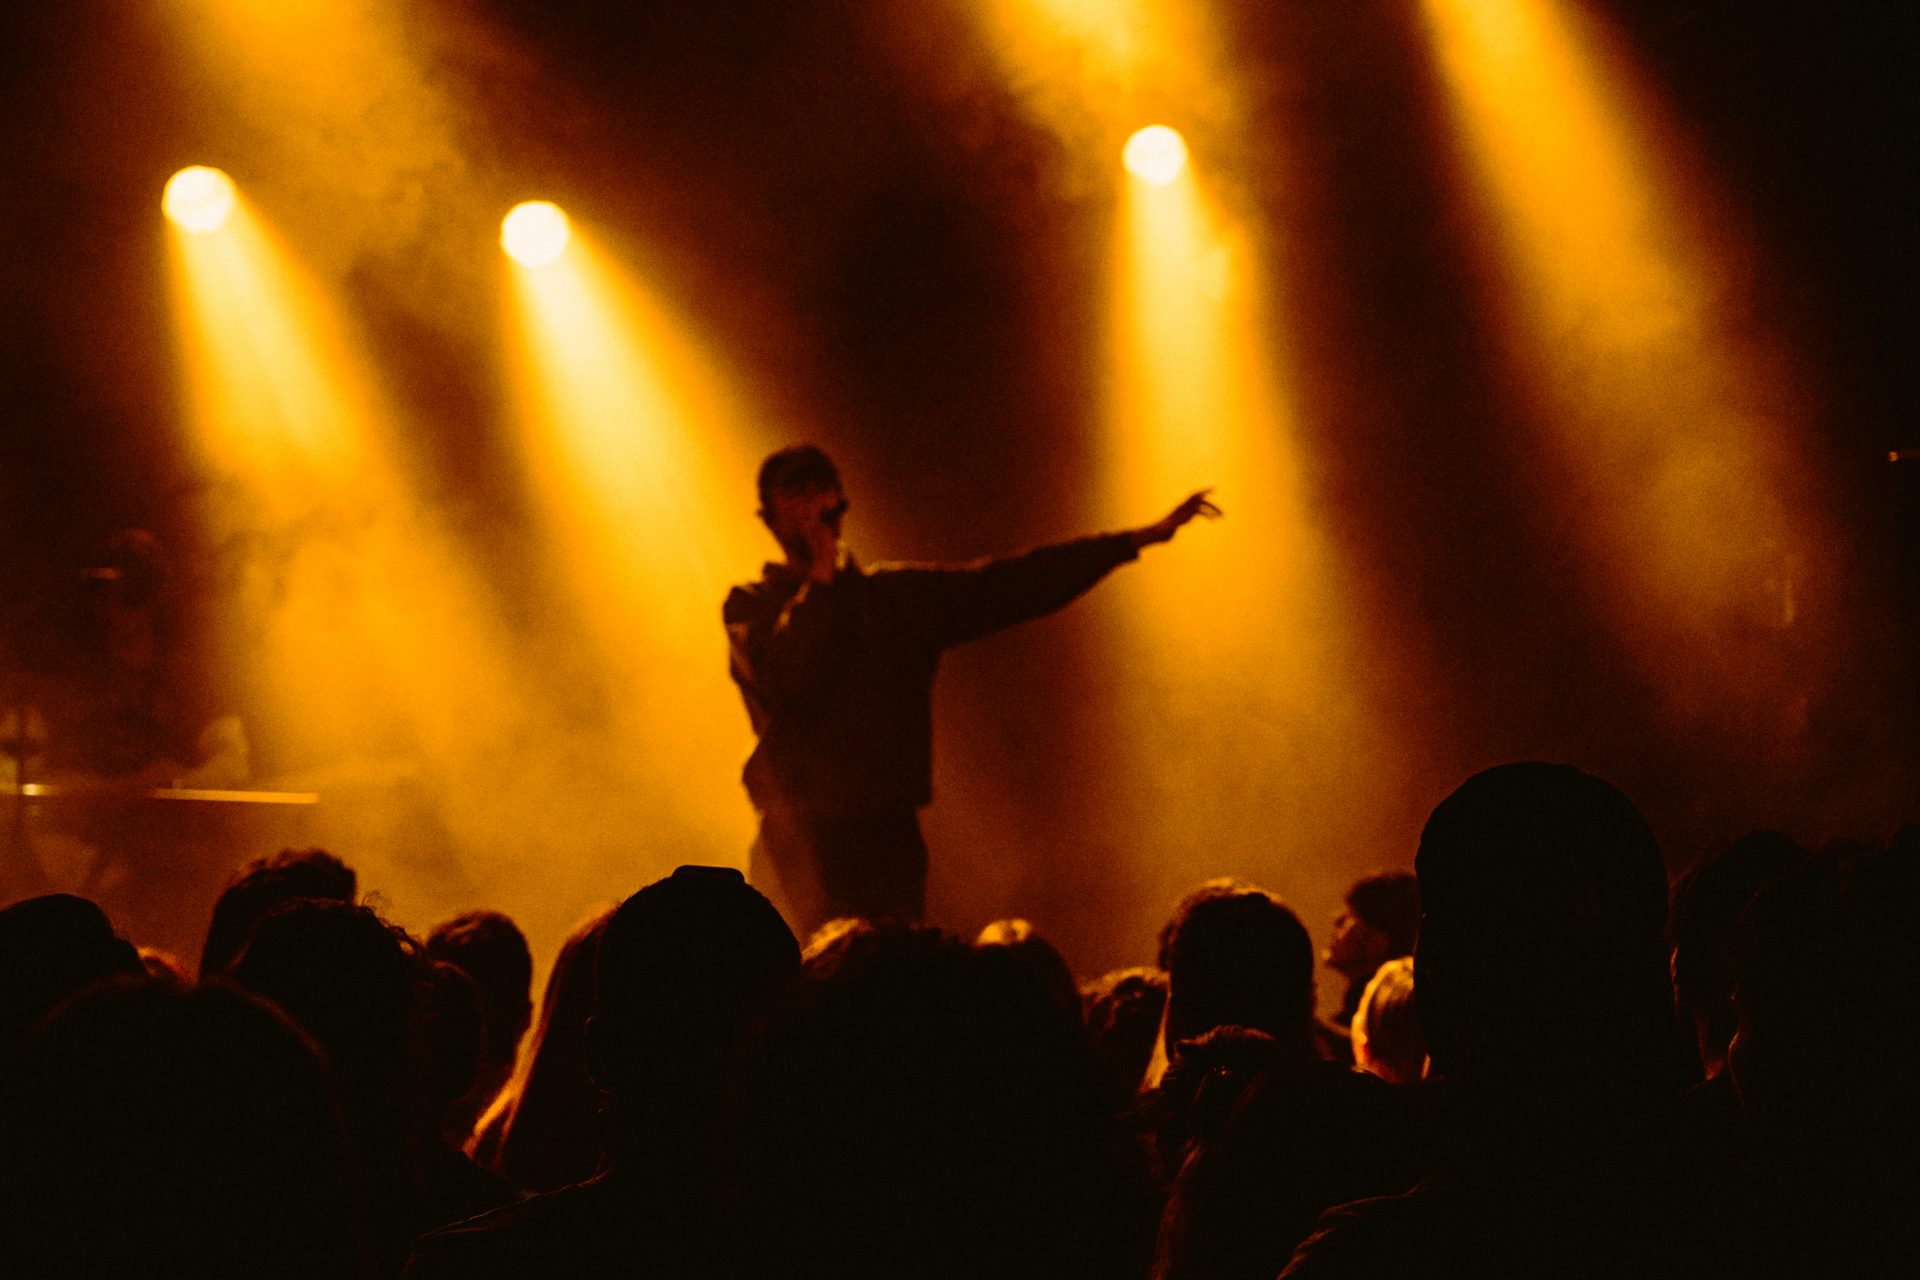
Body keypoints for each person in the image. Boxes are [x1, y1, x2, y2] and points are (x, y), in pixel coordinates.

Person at [724, 445, 1217, 933]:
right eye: (796, 491)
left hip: (889, 831)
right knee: (803, 966)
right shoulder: (750, 608)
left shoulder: (897, 599)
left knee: (890, 967)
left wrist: (1132, 541)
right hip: (801, 838)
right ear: (769, 517)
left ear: (841, 501)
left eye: (821, 487)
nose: (812, 503)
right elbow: (789, 675)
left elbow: (1009, 585)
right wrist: (822, 580)